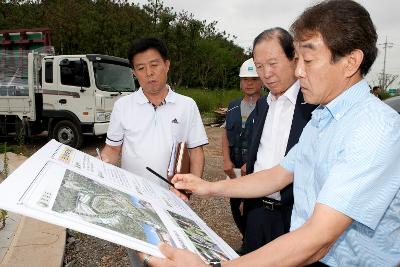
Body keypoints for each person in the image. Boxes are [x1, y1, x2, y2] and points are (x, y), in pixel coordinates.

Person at [148, 0, 400, 266]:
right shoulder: (322, 118)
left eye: (309, 60)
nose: (299, 71)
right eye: (298, 60)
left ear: (351, 62)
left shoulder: (374, 128)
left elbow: (319, 237)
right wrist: (208, 188)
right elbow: (278, 174)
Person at [100, 37, 209, 266]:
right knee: (141, 259)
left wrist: (190, 191)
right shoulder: (123, 106)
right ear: (134, 73)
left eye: (154, 65)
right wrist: (97, 169)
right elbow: (112, 151)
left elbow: (196, 151)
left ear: (167, 65)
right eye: (141, 68)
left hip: (174, 201)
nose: (149, 73)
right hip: (134, 201)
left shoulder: (186, 105)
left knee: (174, 258)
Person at [242, 27, 315, 254]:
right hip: (256, 211)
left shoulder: (314, 105)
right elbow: (256, 155)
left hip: (295, 215)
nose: (266, 74)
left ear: (294, 58)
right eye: (260, 66)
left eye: (273, 64)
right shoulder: (263, 105)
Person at [221, 58, 263, 248]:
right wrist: (226, 160)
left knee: (252, 208)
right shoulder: (233, 105)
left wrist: (252, 163)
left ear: (261, 80)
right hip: (235, 169)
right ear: (240, 82)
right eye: (245, 79)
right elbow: (225, 134)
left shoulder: (268, 106)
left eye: (253, 79)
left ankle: (251, 246)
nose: (249, 83)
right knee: (236, 207)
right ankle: (246, 240)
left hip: (256, 169)